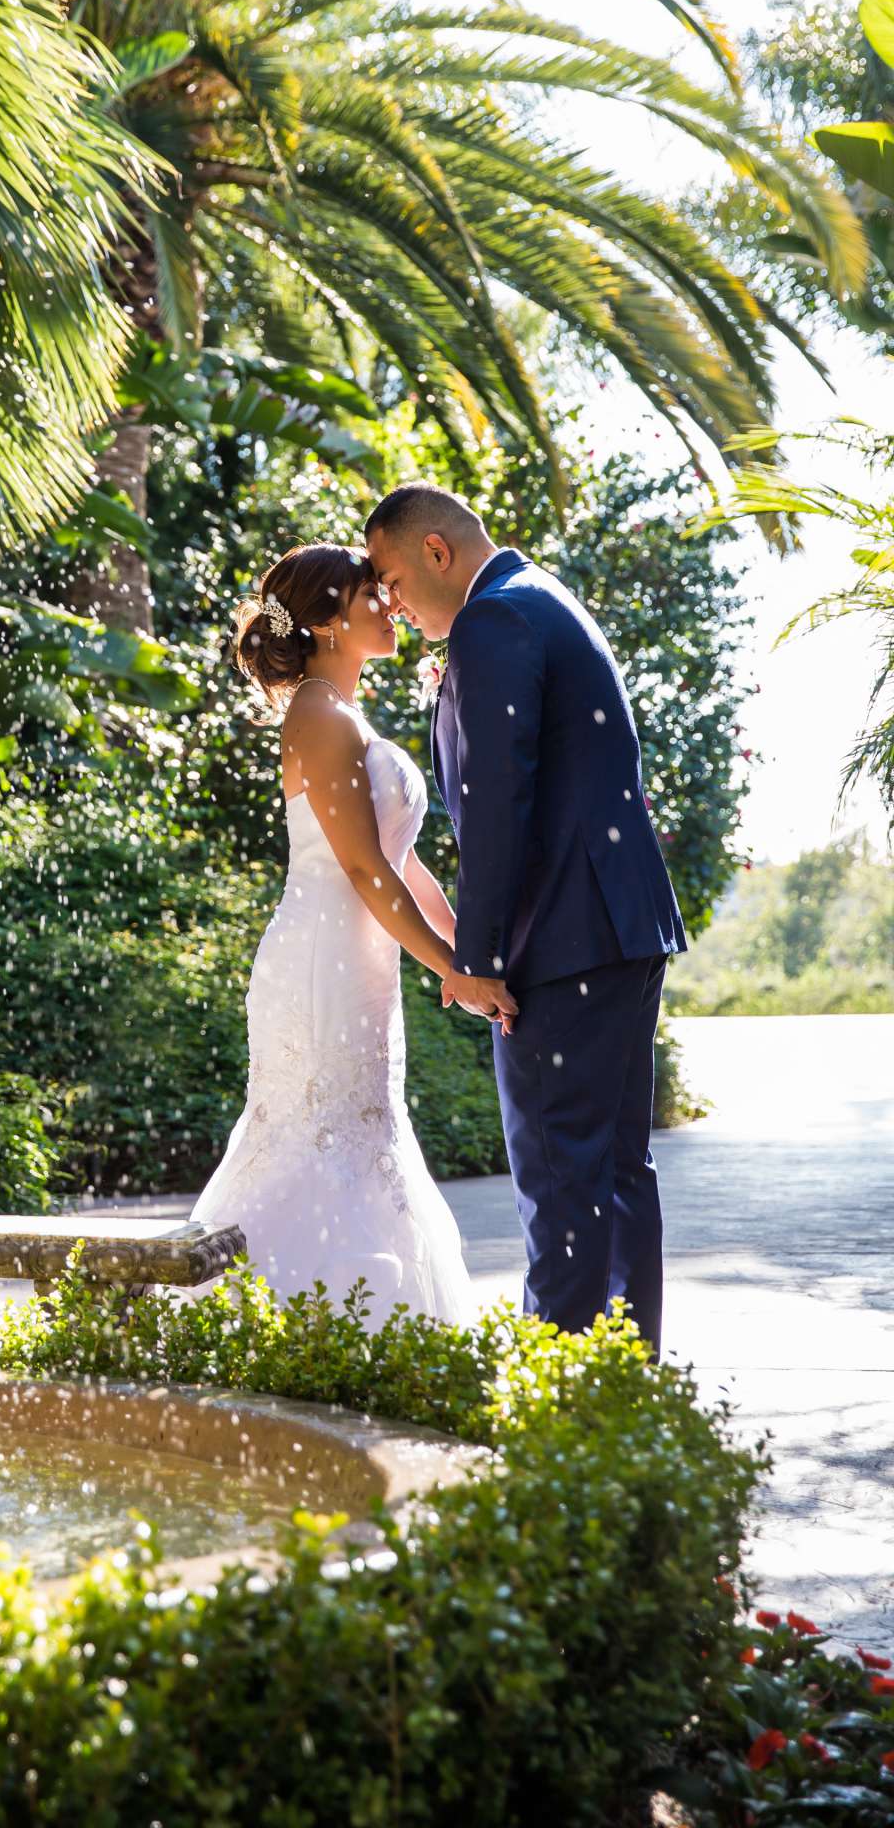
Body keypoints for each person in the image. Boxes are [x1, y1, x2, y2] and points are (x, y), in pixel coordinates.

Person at [363, 483, 685, 1354]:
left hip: (565, 941)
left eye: (390, 578)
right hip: (619, 926)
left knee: (558, 1174)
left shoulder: (494, 620)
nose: (387, 600)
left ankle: (561, 1405)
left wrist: (475, 956)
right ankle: (621, 1383)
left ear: (437, 553)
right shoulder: (540, 597)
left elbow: (498, 800)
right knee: (615, 1169)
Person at [190, 541, 501, 1319]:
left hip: (360, 963)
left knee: (364, 1134)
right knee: (317, 1139)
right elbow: (364, 871)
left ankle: (354, 1335)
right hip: (321, 961)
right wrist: (450, 970)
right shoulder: (319, 714)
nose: (391, 602)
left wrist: (464, 947)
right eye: (373, 591)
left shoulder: (348, 712)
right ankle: (293, 1327)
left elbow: (404, 862)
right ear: (329, 619)